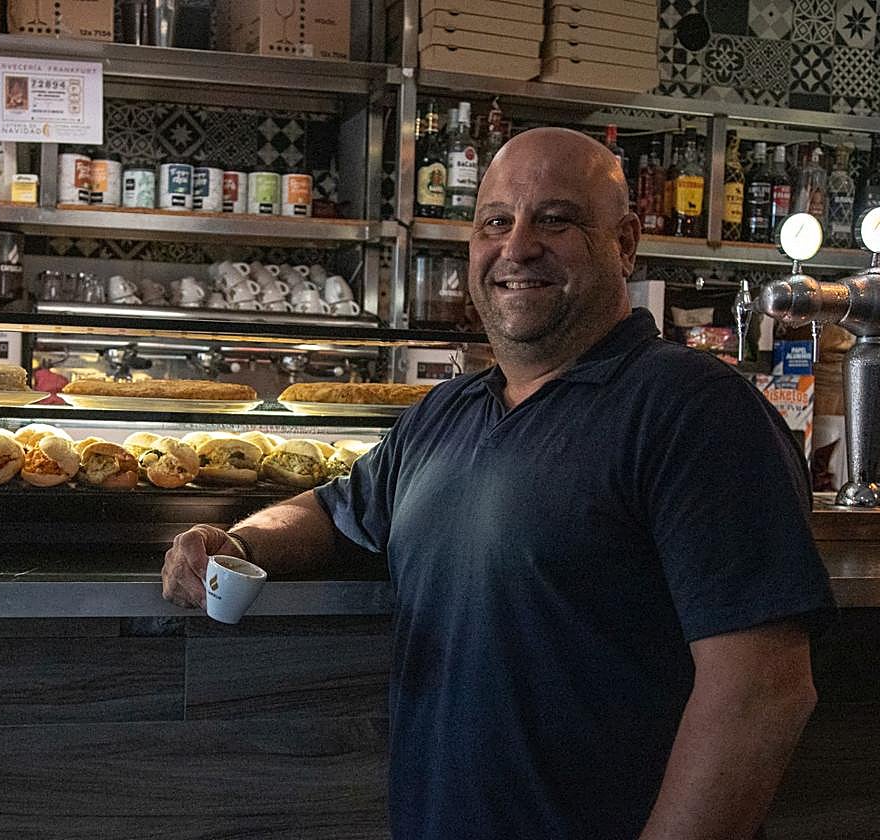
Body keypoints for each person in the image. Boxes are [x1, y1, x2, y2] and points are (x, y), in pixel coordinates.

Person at [162, 127, 835, 840]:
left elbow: (762, 692)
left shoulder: (693, 409)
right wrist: (232, 541)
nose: (517, 248)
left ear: (626, 244)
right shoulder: (447, 411)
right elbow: (334, 511)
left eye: (555, 219)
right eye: (495, 222)